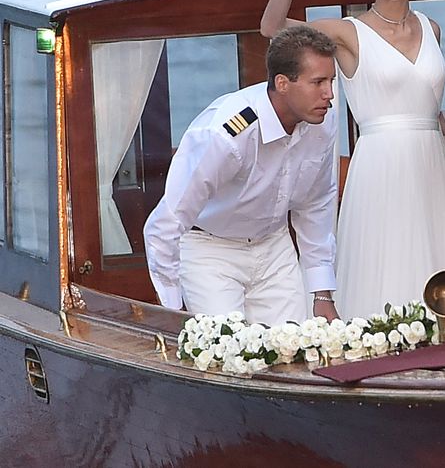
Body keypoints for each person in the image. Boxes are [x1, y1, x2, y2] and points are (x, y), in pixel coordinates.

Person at [261, 0, 445, 319]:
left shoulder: (433, 27)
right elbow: (271, 27)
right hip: (380, 168)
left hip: (432, 168)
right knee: (384, 270)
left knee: (436, 271)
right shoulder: (348, 32)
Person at [144, 26, 340, 325]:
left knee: (294, 352)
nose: (329, 95)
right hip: (210, 251)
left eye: (331, 81)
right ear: (283, 83)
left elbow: (315, 206)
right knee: (224, 356)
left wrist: (322, 294)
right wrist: (173, 310)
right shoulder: (225, 134)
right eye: (318, 83)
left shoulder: (323, 124)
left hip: (274, 247)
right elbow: (166, 223)